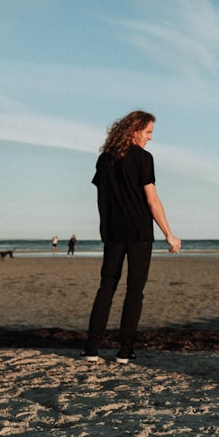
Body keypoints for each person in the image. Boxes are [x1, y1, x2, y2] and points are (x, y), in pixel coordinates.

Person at [82, 110, 181, 363]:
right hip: (139, 232)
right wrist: (169, 234)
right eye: (148, 132)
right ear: (135, 130)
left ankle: (91, 350)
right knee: (134, 291)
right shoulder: (143, 158)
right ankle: (125, 351)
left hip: (113, 232)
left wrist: (106, 226)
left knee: (107, 287)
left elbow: (101, 199)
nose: (150, 138)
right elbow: (152, 200)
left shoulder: (104, 159)